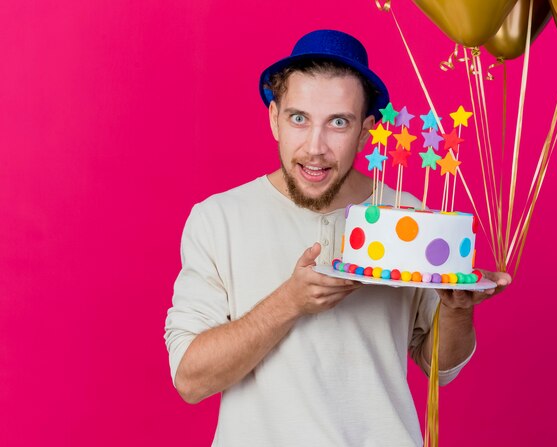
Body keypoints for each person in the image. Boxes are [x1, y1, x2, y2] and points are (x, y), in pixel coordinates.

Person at [164, 29, 511, 446]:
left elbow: (439, 366)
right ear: (274, 119)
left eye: (338, 123)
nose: (315, 147)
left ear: (366, 131)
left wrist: (457, 311)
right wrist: (289, 302)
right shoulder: (217, 219)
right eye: (298, 119)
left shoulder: (407, 216)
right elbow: (190, 378)